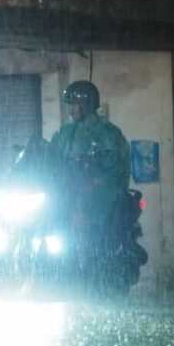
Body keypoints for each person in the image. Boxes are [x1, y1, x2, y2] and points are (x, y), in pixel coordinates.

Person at [50, 81, 130, 240]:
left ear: (86, 105)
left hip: (100, 204)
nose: (70, 110)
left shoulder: (108, 133)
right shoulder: (64, 133)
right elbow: (52, 158)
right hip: (68, 198)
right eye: (69, 105)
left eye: (74, 105)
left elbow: (117, 170)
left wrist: (94, 183)